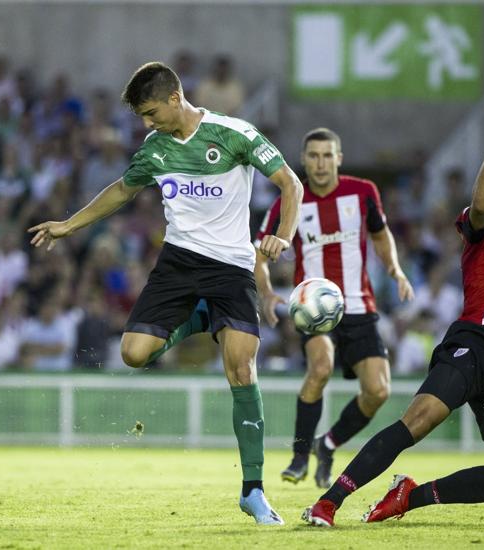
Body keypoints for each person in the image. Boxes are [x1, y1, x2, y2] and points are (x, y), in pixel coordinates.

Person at [28, 61, 303, 525]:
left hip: (232, 268)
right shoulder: (154, 149)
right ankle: (204, 320)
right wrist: (69, 225)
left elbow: (290, 184)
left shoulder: (233, 134)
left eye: (151, 112)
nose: (146, 123)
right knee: (134, 354)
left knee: (240, 367)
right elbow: (121, 190)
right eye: (142, 116)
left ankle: (253, 491)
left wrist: (284, 234)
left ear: (175, 98)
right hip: (177, 264)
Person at [303, 103, 484, 527]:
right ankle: (328, 502)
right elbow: (481, 204)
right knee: (415, 423)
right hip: (473, 343)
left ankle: (409, 497)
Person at [254, 128, 414, 489]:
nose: (321, 163)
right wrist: (265, 293)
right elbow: (259, 256)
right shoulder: (288, 201)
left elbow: (379, 233)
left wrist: (395, 268)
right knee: (321, 366)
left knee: (378, 391)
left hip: (359, 304)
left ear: (339, 158)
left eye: (328, 155)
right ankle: (298, 457)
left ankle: (326, 444)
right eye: (313, 156)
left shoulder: (362, 192)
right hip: (314, 306)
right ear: (303, 159)